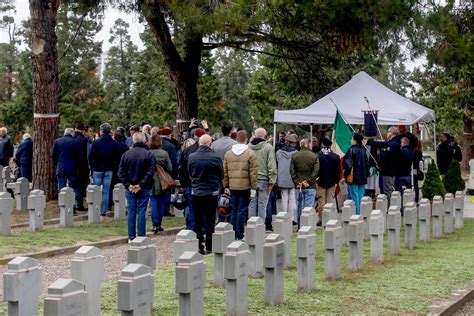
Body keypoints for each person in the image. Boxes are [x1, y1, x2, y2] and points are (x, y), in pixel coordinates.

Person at [188, 134, 223, 254]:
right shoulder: (216, 157)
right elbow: (221, 174)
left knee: (197, 220)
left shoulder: (192, 157)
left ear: (199, 143)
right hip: (211, 192)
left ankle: (199, 245)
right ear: (210, 143)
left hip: (197, 191)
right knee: (210, 220)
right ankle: (209, 246)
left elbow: (190, 173)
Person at [118, 132, 156, 241]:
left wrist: (129, 185)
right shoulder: (148, 154)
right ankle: (141, 235)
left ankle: (131, 236)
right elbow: (150, 172)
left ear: (133, 141)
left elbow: (121, 172)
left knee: (131, 211)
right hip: (143, 186)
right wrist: (140, 184)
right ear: (144, 141)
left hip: (133, 186)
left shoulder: (126, 154)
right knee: (141, 211)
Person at [223, 130, 258, 240]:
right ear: (246, 139)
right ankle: (239, 234)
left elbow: (225, 172)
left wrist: (226, 186)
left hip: (232, 186)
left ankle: (232, 233)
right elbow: (253, 173)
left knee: (234, 210)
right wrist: (253, 189)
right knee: (242, 210)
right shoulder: (250, 153)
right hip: (245, 186)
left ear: (236, 139)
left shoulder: (228, 153)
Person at [248, 128, 277, 231]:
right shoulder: (268, 147)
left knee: (251, 204)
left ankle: (251, 226)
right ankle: (260, 227)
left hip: (251, 180)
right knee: (262, 205)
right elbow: (271, 166)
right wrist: (272, 182)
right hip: (264, 180)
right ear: (264, 136)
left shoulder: (248, 147)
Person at [89, 123, 120, 216]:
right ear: (110, 131)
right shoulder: (114, 143)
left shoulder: (96, 142)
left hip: (97, 168)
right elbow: (117, 157)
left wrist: (92, 166)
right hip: (109, 168)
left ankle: (96, 208)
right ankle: (103, 210)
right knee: (106, 190)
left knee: (96, 189)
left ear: (101, 131)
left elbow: (91, 156)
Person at [178, 128, 206, 230]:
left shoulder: (187, 151)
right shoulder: (208, 152)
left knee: (192, 207)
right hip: (202, 183)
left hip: (190, 183)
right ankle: (202, 229)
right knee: (202, 208)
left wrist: (183, 184)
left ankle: (191, 228)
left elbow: (181, 168)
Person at [290, 138, 319, 227]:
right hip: (310, 186)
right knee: (309, 207)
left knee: (299, 207)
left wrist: (298, 182)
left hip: (298, 186)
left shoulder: (295, 156)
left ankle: (300, 226)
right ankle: (307, 226)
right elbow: (316, 171)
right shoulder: (314, 156)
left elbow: (291, 171)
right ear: (308, 145)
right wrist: (309, 181)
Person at [367, 126, 401, 201]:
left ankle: (389, 207)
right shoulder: (391, 142)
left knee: (387, 190)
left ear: (392, 133)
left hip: (388, 171)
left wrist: (380, 153)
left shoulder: (394, 144)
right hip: (387, 170)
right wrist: (368, 142)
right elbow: (382, 144)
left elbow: (385, 156)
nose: (387, 133)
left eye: (388, 131)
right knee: (387, 189)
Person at [149, 134, 172, 234]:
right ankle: (159, 224)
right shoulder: (164, 153)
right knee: (161, 203)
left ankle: (155, 224)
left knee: (153, 203)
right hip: (163, 181)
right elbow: (169, 168)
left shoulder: (148, 153)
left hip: (151, 180)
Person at [343, 133, 369, 215]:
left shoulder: (351, 150)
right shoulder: (363, 150)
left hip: (353, 176)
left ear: (355, 140)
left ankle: (357, 214)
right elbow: (367, 164)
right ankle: (361, 213)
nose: (351, 140)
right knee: (360, 196)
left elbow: (348, 164)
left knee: (354, 196)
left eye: (352, 138)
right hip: (362, 176)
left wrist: (345, 175)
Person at [276, 134, 298, 223]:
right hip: (292, 177)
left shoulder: (279, 152)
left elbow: (277, 163)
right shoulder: (296, 153)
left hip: (282, 176)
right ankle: (292, 218)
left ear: (287, 142)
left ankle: (284, 216)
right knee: (292, 198)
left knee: (284, 197)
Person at [316, 137, 340, 218]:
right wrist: (337, 181)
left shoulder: (318, 155)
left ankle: (322, 218)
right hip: (332, 181)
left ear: (322, 144)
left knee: (321, 200)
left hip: (320, 180)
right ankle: (329, 217)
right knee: (330, 200)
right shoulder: (335, 157)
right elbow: (337, 171)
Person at [73, 124, 90, 212]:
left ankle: (76, 203)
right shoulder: (82, 139)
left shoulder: (73, 138)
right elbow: (84, 155)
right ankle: (79, 204)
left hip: (74, 165)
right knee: (80, 185)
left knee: (76, 185)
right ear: (82, 130)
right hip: (82, 166)